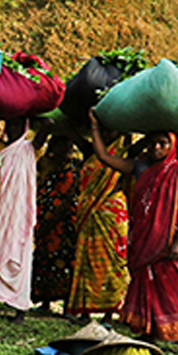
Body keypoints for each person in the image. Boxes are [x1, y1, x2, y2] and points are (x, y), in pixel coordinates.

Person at [89, 120, 178, 355]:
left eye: (163, 143)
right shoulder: (140, 167)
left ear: (172, 145)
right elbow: (103, 157)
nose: (157, 148)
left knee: (176, 288)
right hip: (143, 237)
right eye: (153, 143)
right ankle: (149, 332)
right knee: (146, 283)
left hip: (169, 240)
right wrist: (95, 127)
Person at [66, 131, 131, 321]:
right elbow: (73, 130)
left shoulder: (125, 151)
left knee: (113, 262)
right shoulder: (89, 150)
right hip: (90, 213)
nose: (110, 132)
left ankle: (109, 314)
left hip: (112, 213)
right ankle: (85, 310)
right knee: (87, 259)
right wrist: (93, 124)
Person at [0, 117, 38, 319]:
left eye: (18, 124)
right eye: (10, 124)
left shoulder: (29, 147)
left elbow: (47, 127)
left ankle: (20, 310)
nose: (13, 128)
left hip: (19, 214)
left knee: (20, 256)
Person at [30, 128, 83, 314]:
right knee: (45, 261)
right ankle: (45, 302)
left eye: (68, 146)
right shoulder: (46, 164)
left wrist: (53, 217)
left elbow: (68, 195)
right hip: (46, 220)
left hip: (65, 223)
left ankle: (67, 306)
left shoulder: (75, 167)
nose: (66, 149)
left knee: (66, 262)